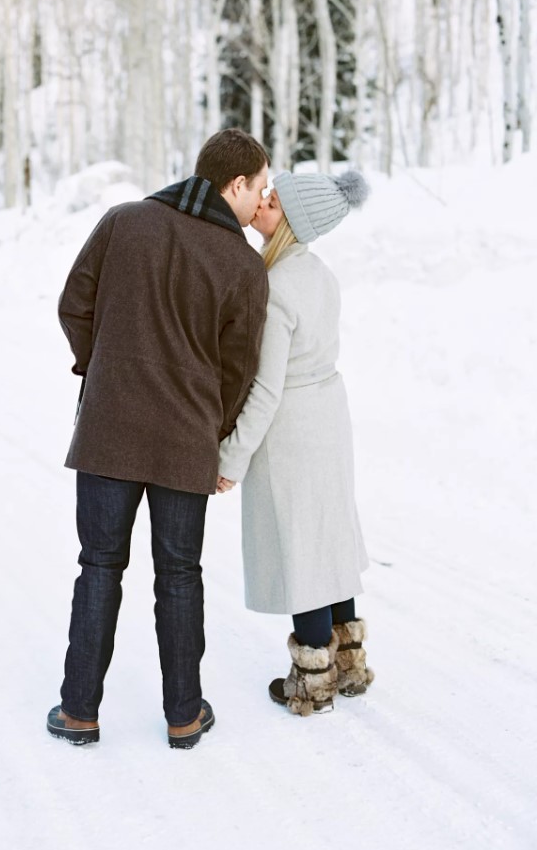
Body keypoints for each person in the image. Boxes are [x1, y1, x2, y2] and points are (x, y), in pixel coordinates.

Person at [47, 129, 270, 748]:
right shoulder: (243, 265)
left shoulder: (124, 222)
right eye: (259, 188)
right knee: (179, 575)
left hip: (107, 435)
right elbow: (239, 367)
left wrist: (108, 368)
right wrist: (213, 424)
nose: (261, 203)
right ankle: (183, 715)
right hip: (184, 441)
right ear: (235, 184)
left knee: (98, 567)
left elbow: (74, 305)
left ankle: (79, 712)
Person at [217, 169, 374, 717]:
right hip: (329, 416)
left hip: (295, 429)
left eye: (274, 202)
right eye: (266, 195)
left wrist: (231, 457)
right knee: (327, 535)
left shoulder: (277, 285)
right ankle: (349, 662)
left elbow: (265, 387)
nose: (261, 203)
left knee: (301, 545)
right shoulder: (319, 274)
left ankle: (313, 680)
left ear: (293, 220)